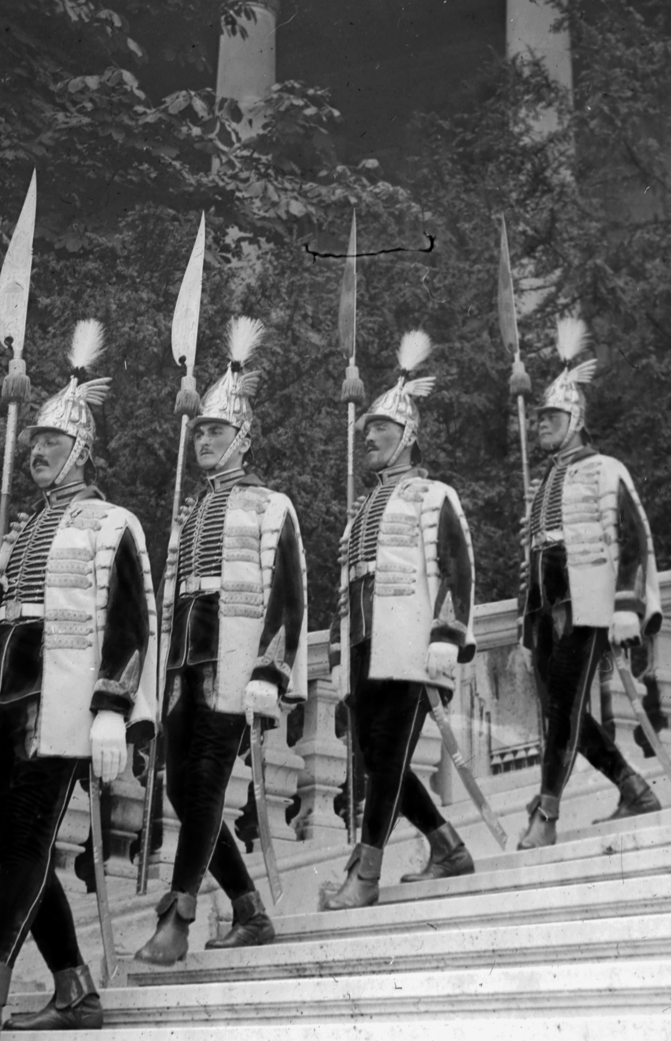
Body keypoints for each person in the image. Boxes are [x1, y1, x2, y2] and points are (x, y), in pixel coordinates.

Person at [0, 321, 157, 1041]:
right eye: (33, 442)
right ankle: (74, 987)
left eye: (52, 444)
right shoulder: (18, 533)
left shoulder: (110, 522)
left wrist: (111, 709)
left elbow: (130, 624)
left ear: (83, 451)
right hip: (3, 706)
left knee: (29, 842)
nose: (36, 451)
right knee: (12, 851)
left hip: (60, 709)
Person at [133, 318, 307, 963]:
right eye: (200, 431)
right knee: (183, 790)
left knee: (204, 785)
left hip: (233, 669)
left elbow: (288, 593)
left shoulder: (270, 506)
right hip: (183, 667)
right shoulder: (191, 512)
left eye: (217, 430)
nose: (204, 439)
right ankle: (248, 908)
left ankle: (176, 915)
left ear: (244, 439)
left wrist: (270, 671)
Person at [321, 330, 477, 910]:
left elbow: (458, 568)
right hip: (365, 647)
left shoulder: (433, 495)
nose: (368, 437)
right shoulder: (360, 510)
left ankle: (366, 874)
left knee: (385, 758)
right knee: (374, 758)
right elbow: (346, 589)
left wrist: (447, 636)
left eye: (378, 430)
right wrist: (339, 655)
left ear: (407, 435)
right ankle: (447, 846)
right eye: (365, 432)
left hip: (411, 646)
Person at [517, 319, 662, 849]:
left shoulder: (605, 469)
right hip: (547, 612)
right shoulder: (546, 480)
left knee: (564, 707)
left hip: (589, 606)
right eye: (539, 418)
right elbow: (536, 554)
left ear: (575, 418)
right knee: (565, 710)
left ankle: (547, 813)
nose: (541, 425)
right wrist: (526, 615)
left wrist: (627, 605)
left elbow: (635, 538)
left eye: (551, 416)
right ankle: (631, 785)